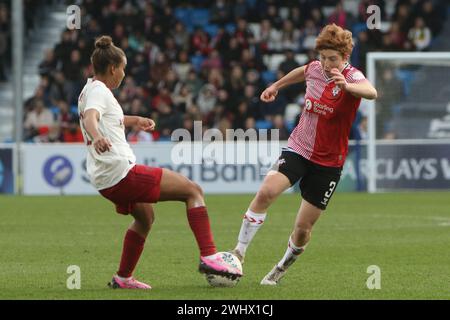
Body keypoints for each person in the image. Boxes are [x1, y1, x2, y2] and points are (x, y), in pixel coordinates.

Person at [78, 36, 242, 290]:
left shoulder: (90, 89)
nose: (123, 73)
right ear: (113, 68)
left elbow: (108, 117)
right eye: (123, 68)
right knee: (193, 190)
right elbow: (91, 118)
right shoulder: (100, 91)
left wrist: (136, 120)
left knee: (145, 218)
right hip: (120, 172)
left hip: (105, 177)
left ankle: (123, 278)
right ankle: (210, 256)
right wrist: (98, 136)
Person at [230, 24, 377, 285]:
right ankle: (238, 253)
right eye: (322, 57)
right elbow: (303, 71)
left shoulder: (352, 76)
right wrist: (276, 85)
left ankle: (280, 268)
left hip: (329, 163)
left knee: (302, 230)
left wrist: (348, 87)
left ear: (345, 58)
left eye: (332, 59)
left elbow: (372, 92)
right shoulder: (315, 68)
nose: (326, 63)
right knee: (266, 192)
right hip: (300, 147)